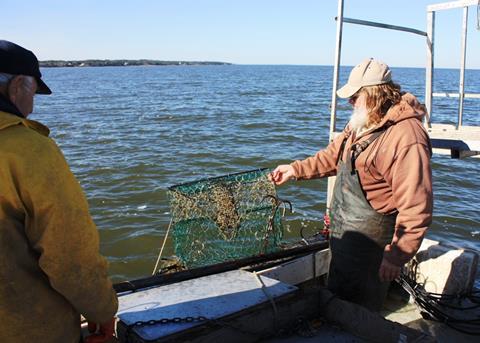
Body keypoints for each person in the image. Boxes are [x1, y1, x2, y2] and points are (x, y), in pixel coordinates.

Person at [270, 58, 433, 311]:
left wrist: (397, 255)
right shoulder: (361, 122)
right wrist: (295, 169)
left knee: (362, 307)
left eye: (355, 96)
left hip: (373, 244)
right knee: (339, 295)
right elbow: (332, 157)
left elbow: (416, 207)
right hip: (344, 232)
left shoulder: (406, 137)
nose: (350, 102)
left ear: (375, 94)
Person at [0, 40, 118, 342]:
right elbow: (68, 253)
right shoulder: (26, 150)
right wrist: (102, 310)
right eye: (33, 92)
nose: (32, 104)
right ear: (16, 87)